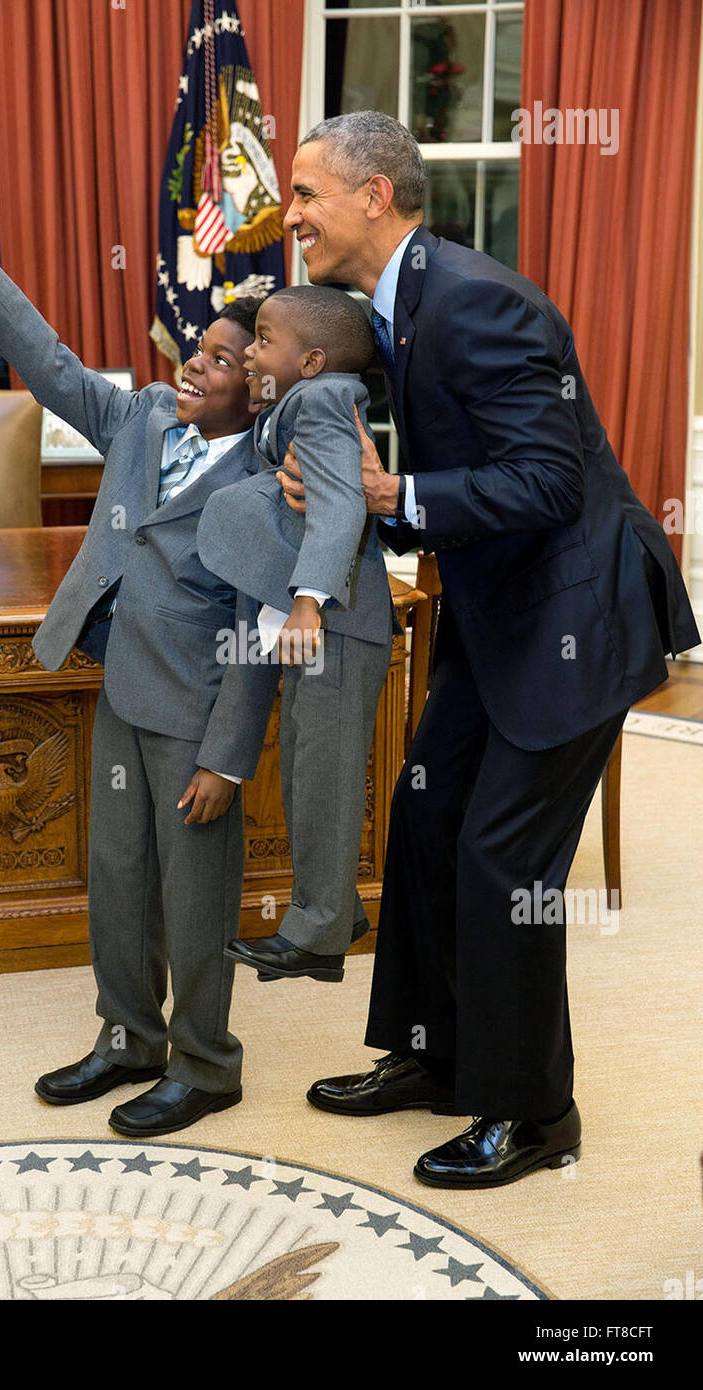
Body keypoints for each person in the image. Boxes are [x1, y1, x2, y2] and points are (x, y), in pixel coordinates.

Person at [276, 112, 700, 1187]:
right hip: (496, 607)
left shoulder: (476, 301)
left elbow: (548, 482)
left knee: (501, 858)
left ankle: (531, 1111)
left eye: (304, 193)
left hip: (576, 614)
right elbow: (447, 484)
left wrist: (391, 493)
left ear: (373, 195)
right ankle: (433, 1056)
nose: (290, 216)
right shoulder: (395, 305)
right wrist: (363, 501)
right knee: (425, 815)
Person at [0, 172, 279, 1139]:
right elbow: (49, 365)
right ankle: (129, 1036)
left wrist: (226, 756)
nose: (192, 366)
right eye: (197, 349)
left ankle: (207, 1063)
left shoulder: (266, 483)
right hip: (124, 687)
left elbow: (262, 634)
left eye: (218, 363)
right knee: (119, 876)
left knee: (195, 889)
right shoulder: (140, 419)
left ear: (256, 393)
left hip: (200, 713)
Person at [195, 286, 396, 985]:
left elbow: (340, 505)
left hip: (335, 623)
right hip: (322, 628)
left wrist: (308, 602)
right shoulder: (300, 402)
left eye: (264, 340)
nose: (249, 351)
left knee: (324, 780)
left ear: (310, 360)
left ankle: (315, 933)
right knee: (315, 774)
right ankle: (338, 912)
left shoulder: (320, 402)